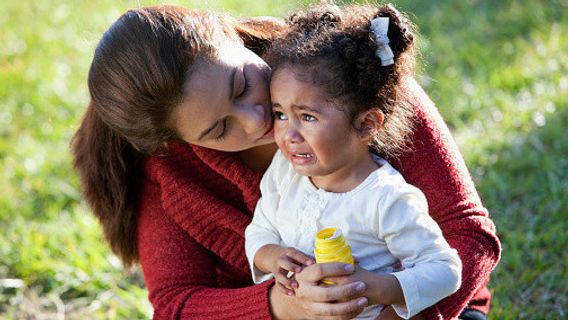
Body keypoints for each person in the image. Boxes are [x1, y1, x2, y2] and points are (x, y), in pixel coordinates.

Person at [71, 3, 500, 320]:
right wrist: (283, 305)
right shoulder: (170, 170)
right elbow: (177, 304)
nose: (257, 119)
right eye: (219, 130)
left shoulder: (349, 72)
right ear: (178, 141)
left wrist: (397, 311)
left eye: (241, 85)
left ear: (230, 34)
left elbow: (467, 229)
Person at [244, 5, 462, 319]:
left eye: (307, 116)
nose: (288, 134)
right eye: (280, 114)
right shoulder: (284, 171)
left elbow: (445, 271)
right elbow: (260, 228)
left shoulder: (385, 199)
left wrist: (376, 287)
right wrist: (272, 256)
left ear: (366, 124)